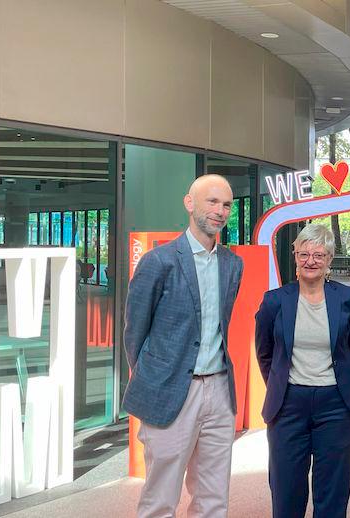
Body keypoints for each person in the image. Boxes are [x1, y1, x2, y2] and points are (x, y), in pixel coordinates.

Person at [123, 174, 244, 518]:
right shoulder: (158, 261)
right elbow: (135, 333)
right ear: (189, 204)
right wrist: (158, 377)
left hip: (220, 391)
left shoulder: (233, 264)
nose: (220, 211)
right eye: (212, 201)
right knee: (161, 498)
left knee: (213, 497)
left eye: (226, 205)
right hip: (171, 390)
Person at [255, 223, 350, 518]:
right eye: (304, 254)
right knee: (286, 488)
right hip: (288, 404)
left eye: (319, 255)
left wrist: (334, 381)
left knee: (333, 489)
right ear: (295, 257)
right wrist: (282, 385)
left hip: (337, 405)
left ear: (329, 260)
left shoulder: (347, 299)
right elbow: (265, 352)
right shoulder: (275, 300)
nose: (310, 261)